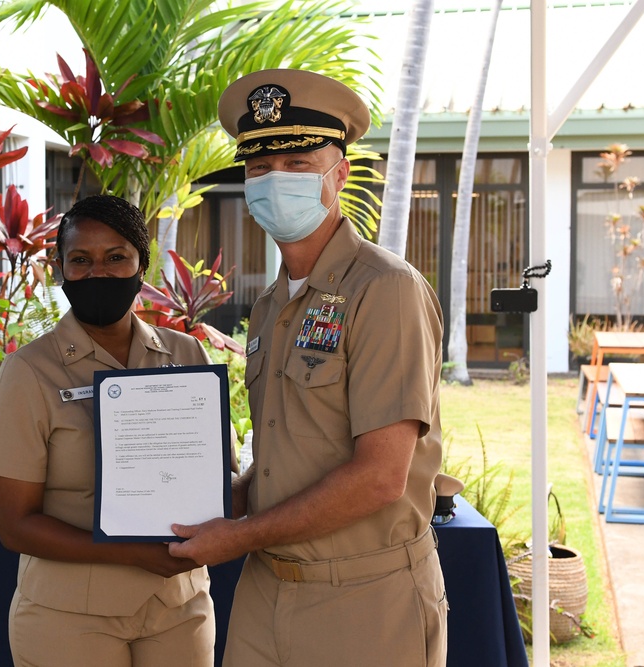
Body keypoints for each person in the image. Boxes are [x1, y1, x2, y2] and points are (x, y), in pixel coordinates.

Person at [168, 69, 447, 666]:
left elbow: (380, 477)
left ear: (338, 174)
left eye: (297, 163)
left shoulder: (385, 290)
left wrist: (236, 536)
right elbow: (289, 451)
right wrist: (229, 498)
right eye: (260, 168)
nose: (276, 181)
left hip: (363, 598)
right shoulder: (272, 304)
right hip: (266, 590)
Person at [0, 194, 215, 667]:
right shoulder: (28, 372)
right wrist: (131, 553)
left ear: (141, 266)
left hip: (180, 604)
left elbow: (213, 478)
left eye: (116, 258)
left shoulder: (188, 355)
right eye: (81, 260)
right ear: (61, 269)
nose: (98, 273)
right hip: (69, 614)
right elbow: (14, 525)